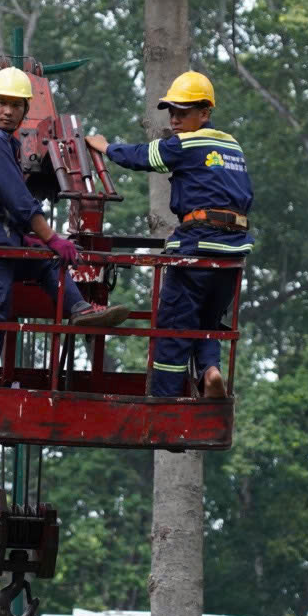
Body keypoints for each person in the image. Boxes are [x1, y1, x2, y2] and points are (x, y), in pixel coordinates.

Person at [0, 66, 128, 386]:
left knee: (47, 261)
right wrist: (52, 236)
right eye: (3, 103)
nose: (9, 111)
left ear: (25, 110)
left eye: (16, 105)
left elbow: (5, 202)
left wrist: (34, 240)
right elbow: (16, 199)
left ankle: (80, 310)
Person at [85, 71, 252, 398]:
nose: (174, 120)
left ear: (204, 113)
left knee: (173, 327)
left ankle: (165, 402)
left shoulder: (187, 144)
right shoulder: (232, 146)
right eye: (171, 112)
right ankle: (210, 373)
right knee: (208, 323)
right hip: (233, 253)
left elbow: (142, 157)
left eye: (183, 112)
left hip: (198, 245)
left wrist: (105, 147)